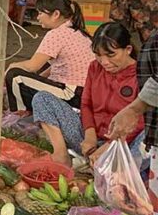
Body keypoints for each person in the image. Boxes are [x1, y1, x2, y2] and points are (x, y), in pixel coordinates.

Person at [32, 22, 144, 165]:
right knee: (42, 98)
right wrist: (89, 135)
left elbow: (140, 122)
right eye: (98, 55)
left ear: (127, 49)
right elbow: (86, 104)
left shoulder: (142, 74)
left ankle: (119, 171)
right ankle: (61, 155)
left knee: (148, 136)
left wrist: (109, 145)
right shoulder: (95, 67)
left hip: (124, 145)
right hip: (90, 140)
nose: (104, 62)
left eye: (111, 55)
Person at [4, 0, 94, 113]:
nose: (38, 17)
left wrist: (12, 66)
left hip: (71, 94)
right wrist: (36, 79)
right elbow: (53, 67)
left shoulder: (57, 34)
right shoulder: (77, 31)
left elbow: (32, 66)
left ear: (56, 14)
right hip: (83, 93)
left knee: (15, 75)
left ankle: (20, 112)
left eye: (41, 13)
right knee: (40, 67)